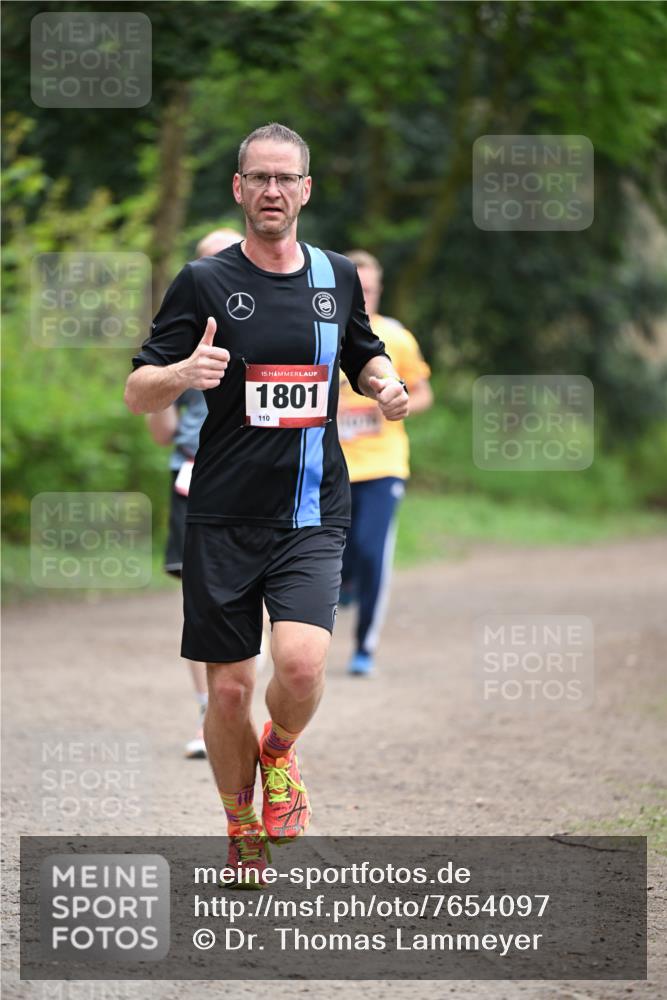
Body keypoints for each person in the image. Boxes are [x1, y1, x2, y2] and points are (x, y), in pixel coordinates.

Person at [124, 122, 409, 887]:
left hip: (313, 507)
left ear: (305, 189)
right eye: (260, 178)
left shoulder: (336, 275)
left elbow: (360, 348)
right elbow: (135, 389)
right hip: (221, 512)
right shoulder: (203, 281)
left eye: (286, 179)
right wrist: (184, 370)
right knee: (226, 687)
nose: (273, 191)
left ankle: (279, 753)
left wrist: (381, 382)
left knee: (302, 666)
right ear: (239, 188)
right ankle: (239, 825)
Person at [145, 227, 243, 759]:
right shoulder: (183, 331)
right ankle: (212, 714)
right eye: (206, 262)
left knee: (259, 600)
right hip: (192, 475)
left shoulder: (270, 324)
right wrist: (162, 373)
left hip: (256, 478)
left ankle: (243, 702)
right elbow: (160, 429)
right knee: (200, 601)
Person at [337, 251, 433, 677]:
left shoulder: (396, 337)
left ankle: (364, 647)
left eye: (370, 289)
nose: (364, 295)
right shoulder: (319, 328)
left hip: (382, 464)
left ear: (379, 290)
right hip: (329, 464)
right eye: (356, 288)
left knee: (372, 551)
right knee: (335, 553)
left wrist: (398, 404)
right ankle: (346, 583)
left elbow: (423, 392)